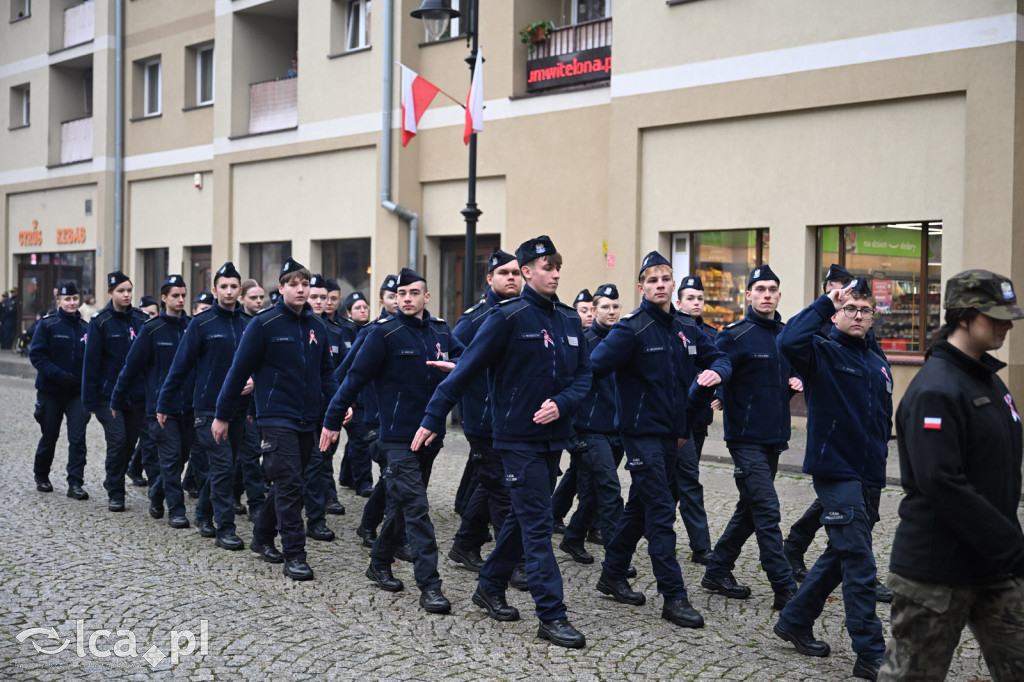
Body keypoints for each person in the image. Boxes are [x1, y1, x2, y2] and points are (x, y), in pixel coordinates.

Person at [413, 235, 592, 649]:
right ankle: (552, 615)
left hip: (554, 437)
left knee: (527, 515)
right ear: (527, 271)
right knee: (536, 525)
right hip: (513, 439)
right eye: (547, 267)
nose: (556, 273)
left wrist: (561, 404)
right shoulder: (507, 317)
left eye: (558, 266)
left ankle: (489, 583)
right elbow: (464, 371)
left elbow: (584, 375)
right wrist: (432, 416)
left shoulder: (568, 319)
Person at [879, 270, 1024, 682]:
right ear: (964, 317)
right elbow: (942, 484)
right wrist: (1012, 546)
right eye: (995, 317)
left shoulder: (989, 379)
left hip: (994, 568)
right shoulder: (936, 389)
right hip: (935, 573)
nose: (1006, 326)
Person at [590, 252, 730, 629]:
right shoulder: (629, 329)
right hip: (640, 436)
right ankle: (674, 596)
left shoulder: (685, 327)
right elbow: (592, 369)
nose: (659, 285)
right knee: (660, 513)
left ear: (673, 284)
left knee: (639, 506)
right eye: (651, 280)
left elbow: (720, 357)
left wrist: (715, 373)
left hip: (674, 435)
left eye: (665, 279)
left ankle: (613, 572)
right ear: (641, 288)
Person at [321, 268, 461, 613]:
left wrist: (455, 365)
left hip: (430, 435)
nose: (408, 298)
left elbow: (470, 362)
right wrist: (332, 419)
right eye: (402, 294)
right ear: (396, 298)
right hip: (395, 438)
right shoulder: (383, 334)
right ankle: (430, 585)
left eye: (415, 293)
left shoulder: (441, 330)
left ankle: (379, 562)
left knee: (401, 506)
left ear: (426, 297)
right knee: (417, 509)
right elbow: (350, 380)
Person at [774, 277, 892, 681]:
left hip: (869, 474)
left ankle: (794, 619)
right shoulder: (821, 351)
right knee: (859, 559)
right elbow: (788, 340)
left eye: (865, 310)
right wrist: (825, 301)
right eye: (850, 309)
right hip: (835, 469)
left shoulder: (877, 360)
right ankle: (871, 652)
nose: (858, 315)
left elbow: (881, 419)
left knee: (839, 555)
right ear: (837, 314)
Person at [216, 258, 338, 581]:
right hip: (274, 417)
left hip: (307, 419)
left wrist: (339, 406)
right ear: (281, 288)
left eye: (305, 284)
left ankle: (261, 535)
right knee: (288, 483)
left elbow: (327, 374)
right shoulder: (264, 324)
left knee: (288, 481)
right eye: (294, 284)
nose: (301, 289)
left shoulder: (317, 328)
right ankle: (295, 554)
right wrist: (222, 415)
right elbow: (237, 372)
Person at [701, 265, 800, 609]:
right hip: (744, 438)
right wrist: (720, 393)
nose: (767, 294)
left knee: (751, 507)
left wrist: (798, 380)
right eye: (760, 289)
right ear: (748, 295)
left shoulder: (786, 335)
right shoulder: (735, 335)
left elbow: (792, 373)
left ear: (779, 295)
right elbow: (721, 368)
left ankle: (717, 569)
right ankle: (784, 588)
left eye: (773, 289)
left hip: (775, 435)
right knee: (767, 508)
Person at [157, 262, 250, 550]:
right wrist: (164, 402)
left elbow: (262, 364)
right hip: (207, 409)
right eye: (224, 286)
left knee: (227, 466)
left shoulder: (248, 324)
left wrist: (255, 381)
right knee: (222, 466)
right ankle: (226, 529)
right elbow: (180, 366)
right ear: (215, 290)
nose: (229, 291)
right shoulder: (201, 323)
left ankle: (202, 513)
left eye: (234, 286)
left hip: (238, 408)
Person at [447, 249, 522, 572]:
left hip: (512, 418)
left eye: (516, 273)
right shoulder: (474, 319)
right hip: (482, 418)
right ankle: (513, 562)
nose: (511, 278)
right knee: (505, 489)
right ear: (490, 278)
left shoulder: (522, 312)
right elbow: (452, 361)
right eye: (504, 273)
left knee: (488, 483)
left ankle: (465, 544)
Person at [111, 275, 191, 523]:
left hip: (189, 406)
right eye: (175, 295)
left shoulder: (194, 327)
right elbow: (131, 367)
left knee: (182, 459)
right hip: (160, 408)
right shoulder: (151, 329)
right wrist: (116, 398)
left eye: (183, 295)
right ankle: (177, 512)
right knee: (170, 459)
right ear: (164, 298)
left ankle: (157, 494)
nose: (180, 300)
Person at [559, 283, 624, 562]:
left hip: (617, 428)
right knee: (610, 488)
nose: (611, 311)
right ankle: (616, 558)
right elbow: (570, 384)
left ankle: (573, 538)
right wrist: (571, 428)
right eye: (605, 306)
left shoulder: (624, 340)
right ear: (593, 310)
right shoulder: (585, 342)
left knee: (593, 491)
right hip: (588, 428)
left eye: (615, 306)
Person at [82, 271, 150, 512]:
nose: (126, 295)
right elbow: (91, 363)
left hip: (135, 396)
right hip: (107, 396)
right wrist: (88, 399)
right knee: (118, 440)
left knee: (129, 443)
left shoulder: (141, 320)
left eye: (129, 290)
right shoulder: (100, 322)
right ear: (111, 293)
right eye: (121, 291)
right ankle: (116, 492)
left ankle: (113, 476)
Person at [349, 275, 401, 548]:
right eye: (392, 296)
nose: (398, 300)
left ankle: (371, 524)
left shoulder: (412, 328)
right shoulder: (372, 331)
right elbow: (347, 371)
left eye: (401, 294)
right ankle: (388, 536)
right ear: (381, 301)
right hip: (376, 418)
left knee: (393, 477)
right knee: (393, 475)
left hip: (403, 417)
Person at [28, 281, 90, 500]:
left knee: (77, 438)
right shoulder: (48, 325)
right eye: (67, 299)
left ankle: (75, 483)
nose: (72, 303)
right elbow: (36, 356)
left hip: (76, 394)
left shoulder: (85, 328)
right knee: (50, 435)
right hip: (51, 392)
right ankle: (41, 475)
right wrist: (59, 375)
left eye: (74, 299)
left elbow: (92, 361)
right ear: (59, 302)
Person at [674, 275, 718, 565]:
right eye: (690, 298)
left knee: (672, 482)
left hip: (699, 419)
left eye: (700, 298)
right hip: (675, 420)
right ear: (679, 303)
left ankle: (644, 529)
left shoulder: (713, 335)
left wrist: (722, 394)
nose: (696, 303)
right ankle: (701, 546)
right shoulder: (672, 331)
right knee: (689, 479)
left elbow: (725, 364)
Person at [297, 274, 337, 543]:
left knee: (319, 464)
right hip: (297, 411)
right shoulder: (295, 325)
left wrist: (339, 403)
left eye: (324, 297)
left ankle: (316, 517)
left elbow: (334, 373)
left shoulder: (333, 330)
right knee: (300, 469)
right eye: (315, 297)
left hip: (325, 409)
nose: (320, 301)